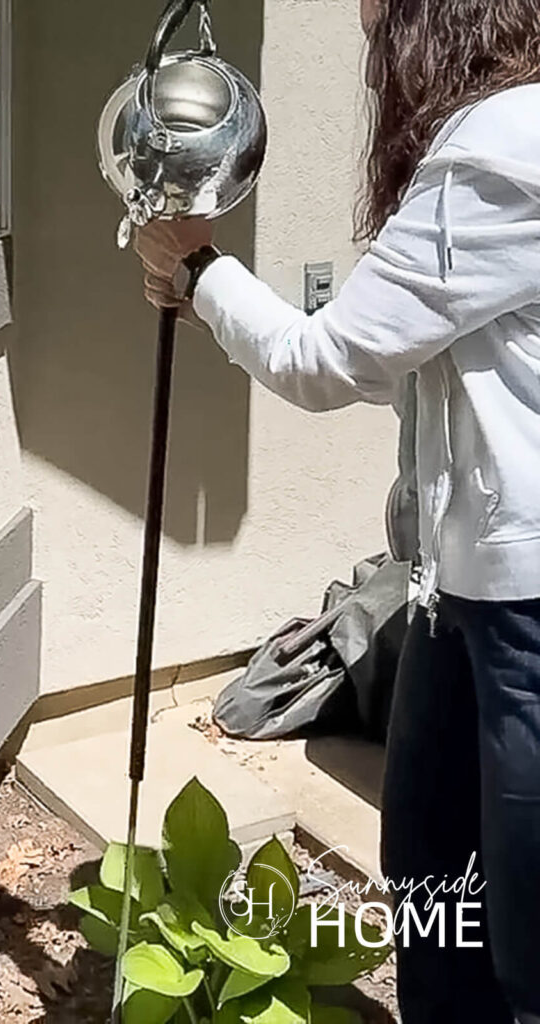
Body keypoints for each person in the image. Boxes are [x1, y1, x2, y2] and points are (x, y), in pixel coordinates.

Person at [134, 1, 540, 1021]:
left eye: (376, 39)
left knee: (525, 936)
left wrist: (197, 265)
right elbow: (379, 350)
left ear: (427, 30)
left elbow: (328, 363)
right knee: (434, 871)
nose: (372, 73)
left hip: (526, 608)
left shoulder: (501, 147)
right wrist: (205, 287)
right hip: (461, 595)